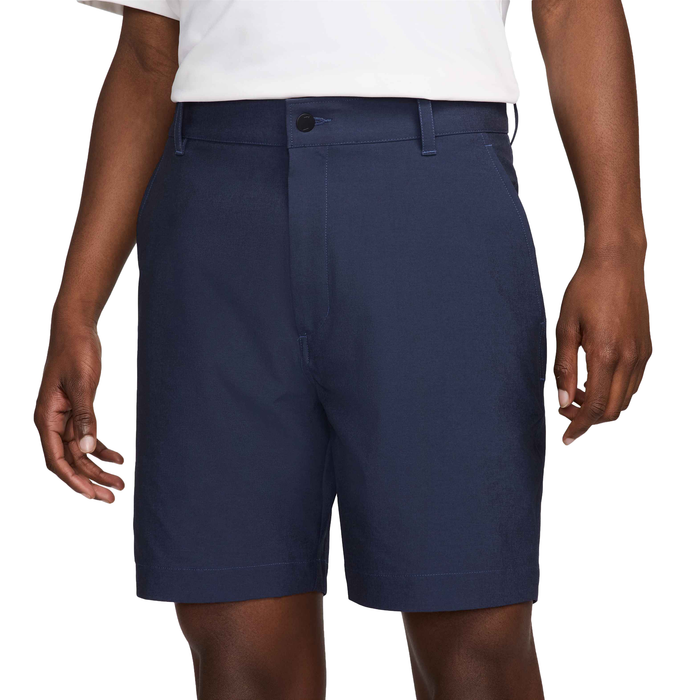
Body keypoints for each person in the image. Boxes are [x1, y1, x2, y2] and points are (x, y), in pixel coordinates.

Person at [34, 1, 651, 698]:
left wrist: (617, 247)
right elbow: (149, 55)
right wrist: (76, 308)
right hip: (216, 212)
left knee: (476, 633)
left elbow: (571, 7)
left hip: (433, 203)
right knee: (239, 649)